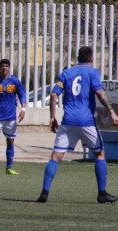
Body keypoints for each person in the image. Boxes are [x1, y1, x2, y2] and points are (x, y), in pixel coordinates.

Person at [37, 46, 118, 203]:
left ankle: (44, 192)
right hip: (86, 121)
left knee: (55, 156)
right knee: (100, 154)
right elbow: (100, 93)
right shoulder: (93, 72)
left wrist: (52, 117)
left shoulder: (67, 73)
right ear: (91, 58)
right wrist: (112, 113)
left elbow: (54, 94)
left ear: (78, 57)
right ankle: (102, 193)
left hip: (68, 121)